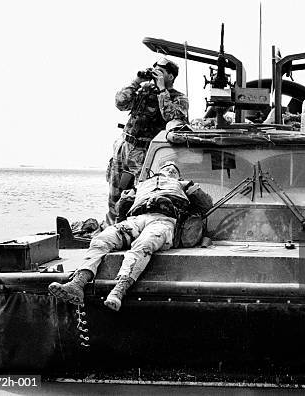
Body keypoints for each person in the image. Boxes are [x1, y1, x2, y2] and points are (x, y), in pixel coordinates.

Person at [50, 161, 210, 311]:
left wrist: (189, 187)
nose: (169, 169)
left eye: (173, 170)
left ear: (178, 176)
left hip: (164, 220)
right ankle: (77, 283)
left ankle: (119, 290)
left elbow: (205, 205)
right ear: (157, 173)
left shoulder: (182, 185)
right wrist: (127, 195)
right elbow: (122, 208)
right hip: (136, 219)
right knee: (101, 239)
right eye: (166, 168)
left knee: (145, 244)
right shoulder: (141, 185)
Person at [106, 57, 189, 225]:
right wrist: (137, 81)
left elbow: (172, 117)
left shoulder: (178, 97)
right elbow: (120, 103)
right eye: (154, 69)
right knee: (114, 192)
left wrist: (161, 90)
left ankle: (133, 227)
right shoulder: (144, 90)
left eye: (161, 71)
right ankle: (110, 228)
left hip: (145, 152)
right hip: (125, 145)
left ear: (171, 76)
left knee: (141, 193)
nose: (155, 72)